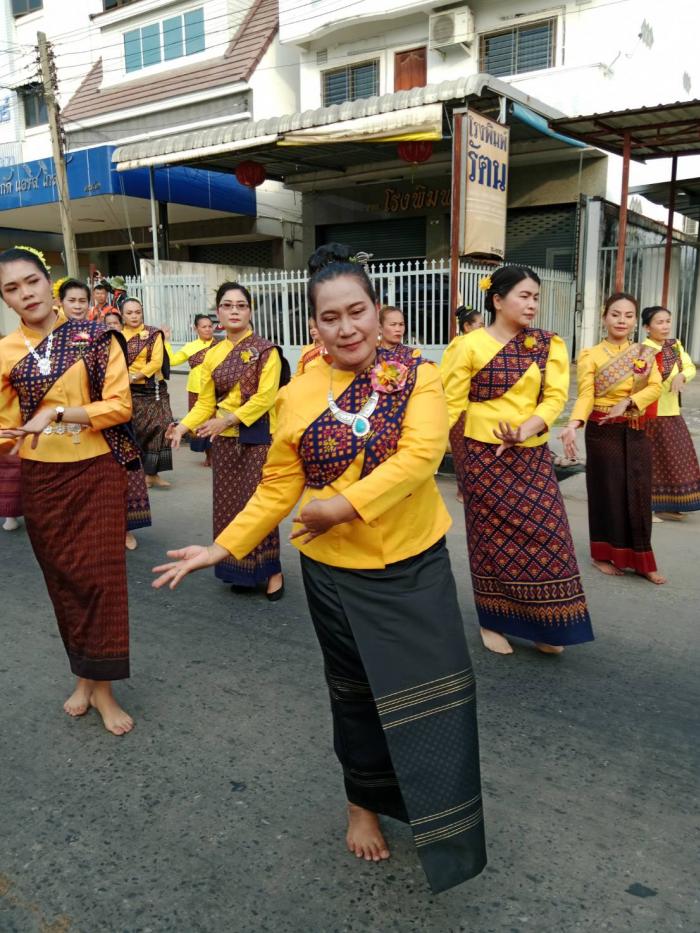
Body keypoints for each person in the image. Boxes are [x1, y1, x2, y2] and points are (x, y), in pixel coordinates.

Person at [153, 245, 486, 894]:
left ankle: (441, 817)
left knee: (441, 693)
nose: (347, 327)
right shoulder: (298, 393)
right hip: (334, 575)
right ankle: (362, 802)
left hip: (415, 564)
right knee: (355, 695)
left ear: (376, 312)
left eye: (357, 311)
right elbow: (279, 485)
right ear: (314, 326)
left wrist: (341, 505)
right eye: (330, 317)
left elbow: (421, 456)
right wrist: (224, 546)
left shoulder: (418, 375)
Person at [0, 246, 139, 735]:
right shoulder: (5, 351)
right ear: (5, 299)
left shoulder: (95, 336)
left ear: (49, 282)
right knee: (63, 581)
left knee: (101, 581)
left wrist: (58, 413)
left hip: (97, 470)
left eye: (31, 281)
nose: (25, 293)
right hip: (42, 479)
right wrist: (11, 438)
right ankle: (84, 677)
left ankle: (103, 689)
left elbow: (120, 406)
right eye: (11, 288)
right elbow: (5, 426)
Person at [442, 266, 593, 656]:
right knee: (491, 542)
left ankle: (546, 623)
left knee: (549, 537)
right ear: (497, 300)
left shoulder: (548, 344)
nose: (532, 304)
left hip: (532, 454)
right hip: (482, 456)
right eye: (524, 296)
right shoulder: (468, 346)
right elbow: (449, 405)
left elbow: (555, 397)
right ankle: (493, 621)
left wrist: (527, 428)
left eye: (535, 297)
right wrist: (424, 451)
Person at [167, 283, 286, 599]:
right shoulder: (213, 355)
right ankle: (239, 570)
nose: (235, 311)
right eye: (228, 305)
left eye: (241, 305)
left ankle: (272, 570)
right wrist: (183, 426)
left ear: (250, 311)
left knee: (258, 508)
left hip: (257, 441)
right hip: (224, 443)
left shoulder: (266, 351)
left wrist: (228, 420)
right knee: (229, 508)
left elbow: (265, 398)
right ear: (218, 312)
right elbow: (205, 403)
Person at [560, 292, 665, 584]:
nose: (621, 320)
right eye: (615, 314)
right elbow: (586, 395)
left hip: (635, 427)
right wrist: (573, 424)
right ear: (604, 317)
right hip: (602, 430)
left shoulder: (645, 353)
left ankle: (642, 560)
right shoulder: (590, 355)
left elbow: (655, 387)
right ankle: (602, 554)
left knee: (639, 492)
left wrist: (629, 402)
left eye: (628, 315)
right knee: (607, 492)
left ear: (635, 322)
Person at [641, 305, 700, 520]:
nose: (665, 326)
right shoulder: (642, 351)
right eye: (659, 322)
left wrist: (681, 376)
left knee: (678, 457)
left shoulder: (674, 346)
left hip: (672, 413)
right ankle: (647, 507)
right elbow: (641, 381)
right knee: (653, 461)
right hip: (651, 415)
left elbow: (690, 367)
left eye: (667, 321)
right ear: (647, 327)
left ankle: (668, 504)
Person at [122, 298, 174, 489]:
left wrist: (135, 376)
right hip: (129, 390)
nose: (134, 316)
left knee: (163, 425)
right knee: (138, 430)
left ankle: (152, 473)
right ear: (122, 315)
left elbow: (156, 362)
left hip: (154, 388)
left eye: (137, 312)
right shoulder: (118, 335)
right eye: (129, 313)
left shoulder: (153, 334)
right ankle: (139, 473)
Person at [440, 306, 485, 502]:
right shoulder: (461, 346)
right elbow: (450, 379)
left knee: (474, 452)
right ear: (467, 327)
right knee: (462, 453)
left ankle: (474, 490)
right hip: (459, 407)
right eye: (480, 325)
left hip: (475, 408)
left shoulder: (475, 345)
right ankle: (463, 491)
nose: (484, 329)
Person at [168, 314, 218, 465]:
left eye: (210, 326)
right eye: (204, 327)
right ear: (196, 329)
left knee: (215, 421)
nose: (208, 329)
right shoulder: (190, 347)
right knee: (199, 422)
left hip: (216, 389)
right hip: (196, 389)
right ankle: (208, 454)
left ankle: (215, 454)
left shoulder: (220, 345)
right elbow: (172, 361)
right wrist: (166, 341)